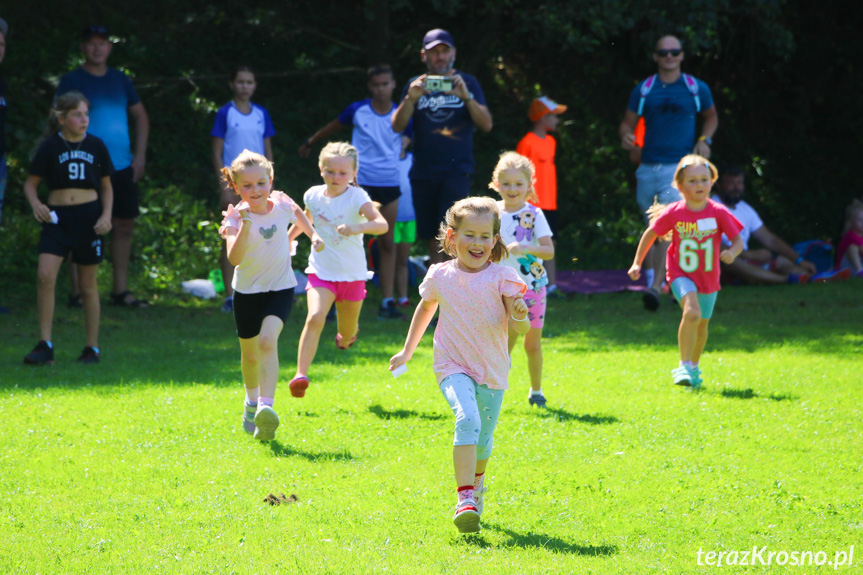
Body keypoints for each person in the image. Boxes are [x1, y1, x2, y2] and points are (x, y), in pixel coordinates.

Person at [390, 196, 529, 533]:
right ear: (452, 237)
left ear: (494, 241)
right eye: (469, 234)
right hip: (452, 364)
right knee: (467, 419)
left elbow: (521, 328)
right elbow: (425, 310)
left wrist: (520, 314)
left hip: (493, 368)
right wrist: (407, 352)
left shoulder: (503, 277)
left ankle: (477, 483)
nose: (477, 243)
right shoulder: (440, 275)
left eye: (485, 236)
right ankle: (465, 498)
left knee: (482, 441)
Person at [218, 150, 323, 441]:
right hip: (247, 293)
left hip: (280, 287)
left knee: (267, 341)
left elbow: (298, 214)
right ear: (237, 187)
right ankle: (251, 403)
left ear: (271, 181)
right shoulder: (235, 217)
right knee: (250, 356)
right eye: (248, 186)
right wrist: (245, 225)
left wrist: (313, 235)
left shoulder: (282, 203)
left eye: (261, 183)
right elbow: (234, 259)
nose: (256, 190)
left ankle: (267, 407)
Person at [619, 34, 718, 311]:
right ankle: (678, 283)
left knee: (665, 226)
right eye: (664, 52)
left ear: (683, 55)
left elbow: (711, 116)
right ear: (655, 56)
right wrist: (628, 138)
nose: (670, 57)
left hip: (678, 170)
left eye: (675, 52)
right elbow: (626, 125)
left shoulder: (695, 88)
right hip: (647, 168)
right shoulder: (645, 89)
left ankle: (656, 287)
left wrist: (705, 140)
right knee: (656, 227)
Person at [299, 64, 405, 320]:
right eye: (376, 84)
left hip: (390, 182)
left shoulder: (402, 113)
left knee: (387, 241)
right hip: (359, 182)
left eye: (385, 84)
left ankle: (387, 301)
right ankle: (333, 297)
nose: (381, 89)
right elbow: (334, 127)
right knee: (337, 234)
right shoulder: (357, 110)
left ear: (393, 85)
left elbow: (411, 134)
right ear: (370, 87)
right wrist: (311, 142)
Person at [628, 155, 743, 389]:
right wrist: (637, 262)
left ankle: (693, 366)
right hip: (681, 273)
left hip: (709, 279)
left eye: (704, 179)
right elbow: (650, 233)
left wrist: (732, 252)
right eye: (692, 181)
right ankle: (683, 365)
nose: (699, 185)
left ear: (712, 182)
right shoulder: (674, 212)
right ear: (679, 186)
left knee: (702, 327)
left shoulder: (718, 212)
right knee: (692, 313)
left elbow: (738, 241)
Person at [57, 25, 149, 308]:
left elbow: (140, 116)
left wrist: (140, 156)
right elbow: (57, 118)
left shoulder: (121, 80)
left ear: (110, 47)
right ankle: (79, 293)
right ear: (83, 47)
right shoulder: (71, 80)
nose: (97, 48)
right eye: (92, 43)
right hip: (83, 164)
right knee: (81, 226)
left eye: (103, 43)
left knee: (122, 225)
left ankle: (120, 290)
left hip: (121, 164)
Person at [287, 142, 388, 398]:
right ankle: (300, 375)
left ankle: (346, 339)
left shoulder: (357, 197)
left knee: (346, 333)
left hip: (352, 275)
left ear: (354, 173)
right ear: (321, 169)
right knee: (315, 317)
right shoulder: (312, 195)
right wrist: (288, 238)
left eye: (342, 173)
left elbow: (381, 224)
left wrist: (357, 227)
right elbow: (306, 220)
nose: (335, 177)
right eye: (330, 171)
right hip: (321, 271)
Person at [23, 91, 114, 365]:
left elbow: (108, 186)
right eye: (77, 114)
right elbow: (30, 184)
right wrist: (36, 204)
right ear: (61, 118)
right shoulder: (50, 147)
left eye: (86, 114)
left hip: (88, 218)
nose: (83, 119)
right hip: (57, 219)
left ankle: (92, 348)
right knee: (45, 275)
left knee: (87, 285)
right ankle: (45, 344)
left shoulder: (96, 147)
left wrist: (107, 216)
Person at [392, 28, 493, 266]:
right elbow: (397, 126)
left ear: (454, 54)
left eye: (444, 51)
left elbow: (486, 124)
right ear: (423, 56)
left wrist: (466, 96)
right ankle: (438, 286)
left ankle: (456, 285)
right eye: (433, 52)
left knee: (454, 228)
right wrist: (410, 98)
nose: (439, 56)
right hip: (423, 171)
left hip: (457, 169)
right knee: (431, 234)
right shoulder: (414, 85)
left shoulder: (468, 82)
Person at [490, 152, 554, 408]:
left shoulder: (535, 215)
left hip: (533, 288)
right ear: (496, 184)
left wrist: (525, 247)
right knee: (503, 340)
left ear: (529, 185)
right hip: (499, 289)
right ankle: (494, 387)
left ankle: (536, 391)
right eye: (506, 184)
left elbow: (549, 251)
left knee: (532, 343)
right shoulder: (491, 212)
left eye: (518, 184)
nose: (512, 189)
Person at [712, 165, 846, 284]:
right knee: (728, 260)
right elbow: (711, 245)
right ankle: (785, 279)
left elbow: (770, 240)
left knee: (782, 260)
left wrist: (800, 260)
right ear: (718, 185)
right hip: (722, 267)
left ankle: (813, 277)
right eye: (731, 183)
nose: (736, 188)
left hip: (747, 263)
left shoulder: (745, 208)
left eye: (739, 183)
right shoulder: (709, 208)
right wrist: (749, 255)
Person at [211, 66, 276, 313]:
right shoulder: (225, 113)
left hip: (258, 186)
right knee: (230, 236)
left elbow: (267, 149)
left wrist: (269, 182)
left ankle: (260, 290)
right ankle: (230, 295)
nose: (245, 87)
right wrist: (225, 186)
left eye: (249, 82)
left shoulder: (261, 114)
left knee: (262, 236)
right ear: (232, 84)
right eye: (240, 82)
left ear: (255, 85)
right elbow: (217, 151)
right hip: (236, 187)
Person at [516, 97, 565, 298]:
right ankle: (527, 286)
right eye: (553, 116)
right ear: (542, 117)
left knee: (549, 243)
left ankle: (550, 286)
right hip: (530, 204)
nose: (557, 120)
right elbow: (518, 174)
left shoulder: (552, 142)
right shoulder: (526, 143)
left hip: (549, 203)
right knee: (528, 244)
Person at [395, 135, 416, 307]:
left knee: (402, 259)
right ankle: (386, 299)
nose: (401, 139)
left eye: (405, 135)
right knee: (388, 258)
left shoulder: (413, 160)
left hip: (410, 219)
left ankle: (403, 297)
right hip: (389, 219)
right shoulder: (385, 161)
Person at [835, 199, 863, 276]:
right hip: (845, 268)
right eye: (859, 220)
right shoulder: (850, 235)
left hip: (856, 265)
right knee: (852, 247)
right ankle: (859, 271)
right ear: (850, 223)